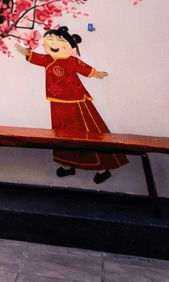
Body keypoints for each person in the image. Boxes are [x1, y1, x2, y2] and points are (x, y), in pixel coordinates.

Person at [14, 26, 126, 183]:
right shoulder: (47, 60)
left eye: (58, 41)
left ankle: (102, 167)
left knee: (87, 133)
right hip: (57, 103)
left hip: (77, 102)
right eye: (50, 41)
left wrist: (98, 74)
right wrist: (21, 49)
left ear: (70, 46)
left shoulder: (72, 60)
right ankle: (67, 165)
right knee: (61, 135)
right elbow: (34, 56)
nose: (53, 45)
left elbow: (86, 69)